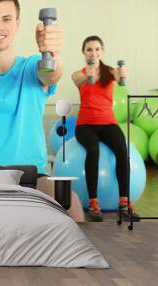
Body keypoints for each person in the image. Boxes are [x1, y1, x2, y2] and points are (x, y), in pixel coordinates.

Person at [0, 0, 84, 221]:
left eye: (6, 19)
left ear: (17, 23)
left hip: (31, 176)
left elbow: (51, 73)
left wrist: (54, 53)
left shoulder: (33, 67)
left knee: (71, 203)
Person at [72, 35, 140, 222]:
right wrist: (89, 74)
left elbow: (120, 77)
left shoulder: (110, 72)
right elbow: (78, 80)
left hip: (108, 123)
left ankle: (124, 204)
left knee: (122, 150)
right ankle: (94, 203)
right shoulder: (78, 74)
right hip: (85, 125)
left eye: (96, 49)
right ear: (83, 53)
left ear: (102, 51)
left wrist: (123, 72)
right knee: (93, 150)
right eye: (89, 49)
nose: (93, 53)